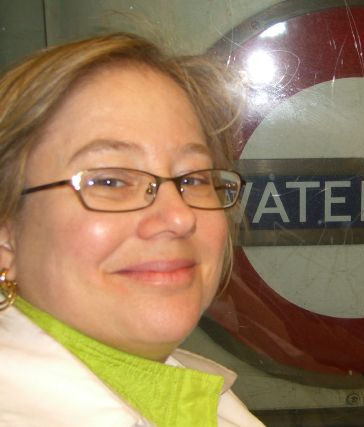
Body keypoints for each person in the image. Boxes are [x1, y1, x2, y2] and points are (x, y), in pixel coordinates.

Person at [0, 33, 264, 427]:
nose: (179, 217)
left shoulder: (187, 398)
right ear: (6, 236)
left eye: (193, 179)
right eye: (110, 181)